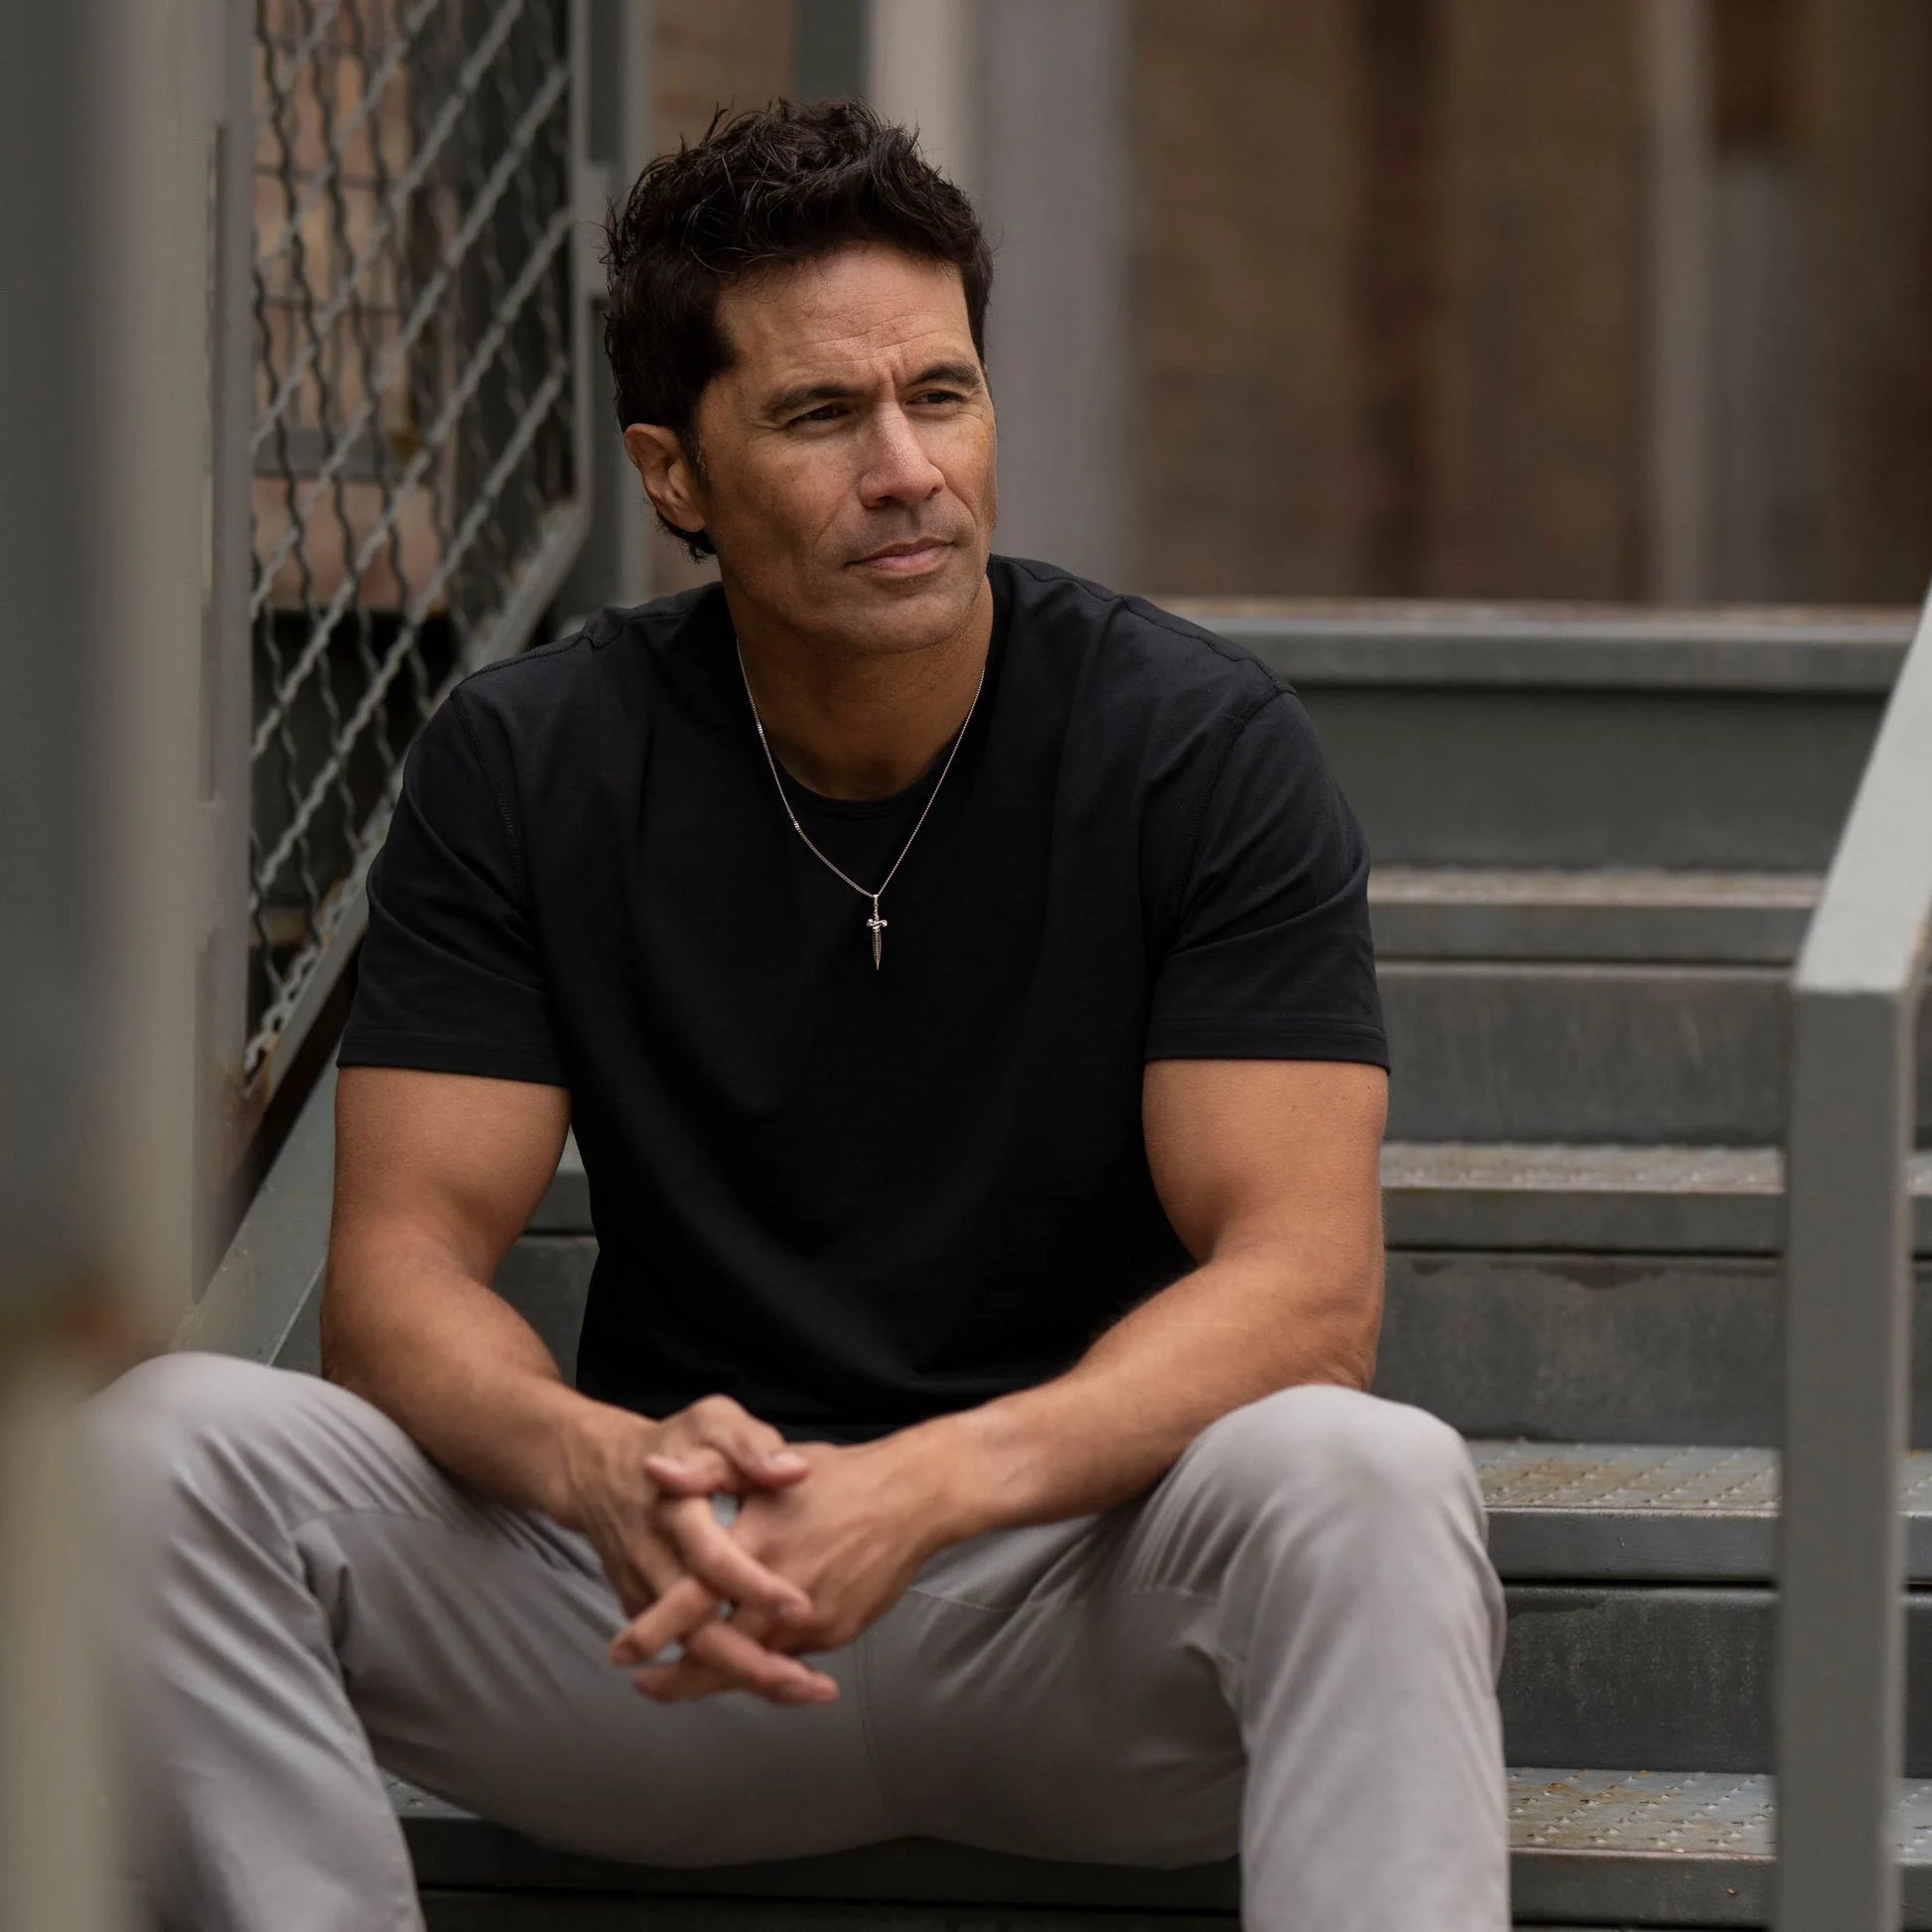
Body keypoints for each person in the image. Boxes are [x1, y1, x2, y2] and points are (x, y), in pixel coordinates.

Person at [83, 98, 1508, 1932]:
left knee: (1367, 1472)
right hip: (675, 1620)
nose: (906, 468)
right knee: (155, 1451)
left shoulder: (1194, 746)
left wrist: (924, 1485)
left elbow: (1306, 1293)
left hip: (1075, 1611)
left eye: (941, 393)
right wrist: (603, 1464)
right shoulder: (527, 761)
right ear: (675, 474)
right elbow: (399, 1284)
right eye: (822, 414)